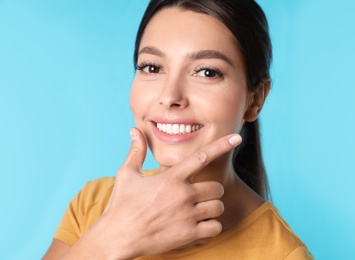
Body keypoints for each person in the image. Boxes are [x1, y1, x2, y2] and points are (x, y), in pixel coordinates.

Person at [43, 0, 313, 259]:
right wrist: (113, 237)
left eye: (207, 72)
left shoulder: (282, 254)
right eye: (152, 67)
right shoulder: (94, 203)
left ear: (255, 100)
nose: (170, 96)